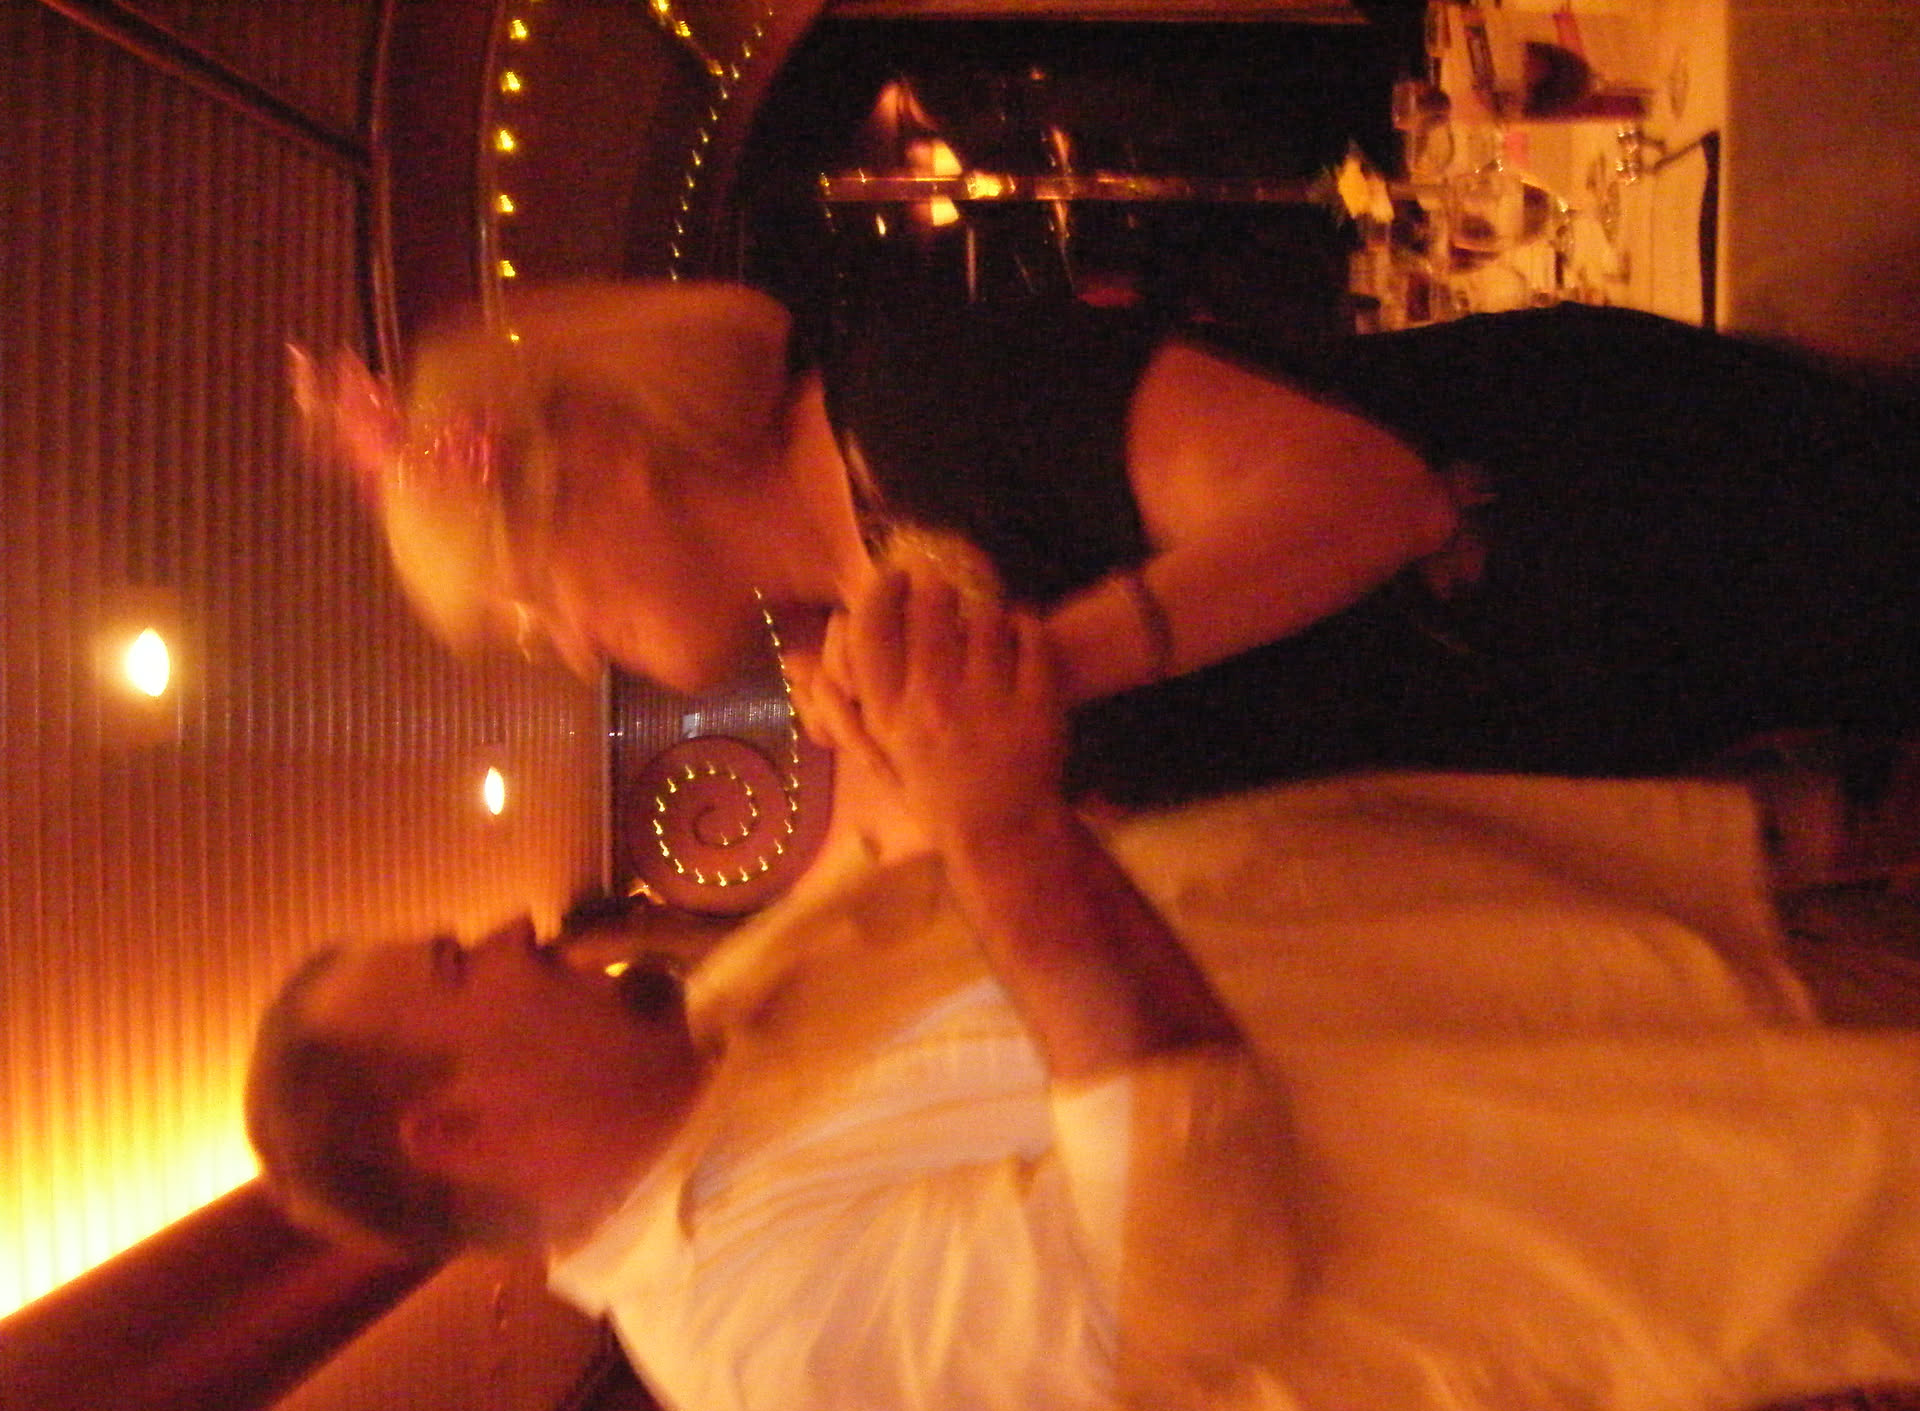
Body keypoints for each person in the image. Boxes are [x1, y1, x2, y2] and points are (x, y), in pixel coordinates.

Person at [249, 568, 1920, 1411]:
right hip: (1677, 1179)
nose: (515, 928)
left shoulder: (736, 1007)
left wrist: (886, 685)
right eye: (458, 966)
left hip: (1638, 936)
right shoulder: (749, 1337)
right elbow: (1186, 1276)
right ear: (452, 1126)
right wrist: (1001, 830)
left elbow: (914, 837)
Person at [292, 280, 1920, 809]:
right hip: (1622, 658)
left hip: (1651, 503)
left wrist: (1034, 675)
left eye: (533, 601)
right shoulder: (861, 604)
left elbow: (1374, 499)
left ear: (609, 459)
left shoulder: (915, 404)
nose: (568, 648)